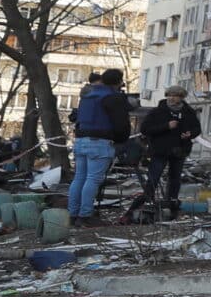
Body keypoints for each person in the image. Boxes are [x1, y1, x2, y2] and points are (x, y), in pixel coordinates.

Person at [69, 68, 132, 225]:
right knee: (93, 179)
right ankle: (85, 216)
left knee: (79, 178)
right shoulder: (113, 97)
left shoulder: (87, 95)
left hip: (81, 139)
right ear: (118, 82)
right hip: (100, 141)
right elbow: (121, 124)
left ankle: (72, 214)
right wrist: (121, 140)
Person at [139, 85, 201, 213]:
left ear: (181, 98)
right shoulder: (158, 111)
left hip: (179, 150)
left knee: (175, 178)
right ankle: (147, 201)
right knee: (154, 176)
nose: (172, 98)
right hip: (160, 150)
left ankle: (172, 202)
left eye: (176, 96)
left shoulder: (188, 112)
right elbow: (145, 129)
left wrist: (190, 134)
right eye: (170, 95)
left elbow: (197, 128)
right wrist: (166, 126)